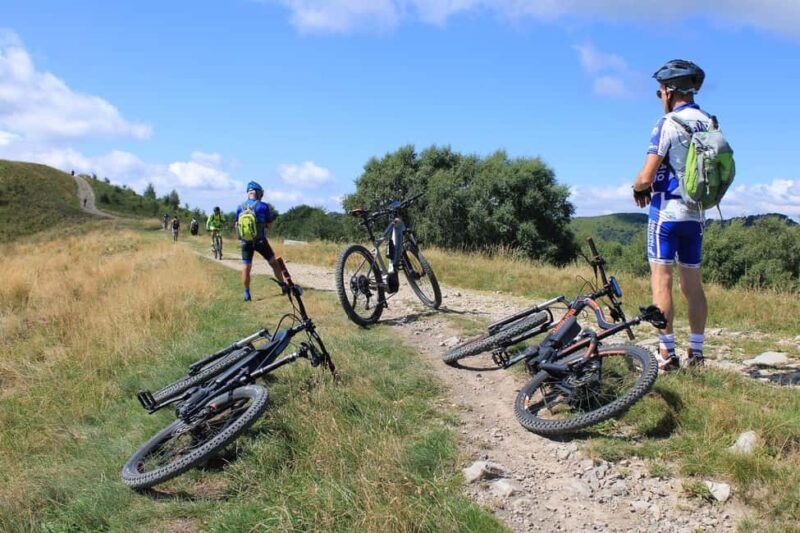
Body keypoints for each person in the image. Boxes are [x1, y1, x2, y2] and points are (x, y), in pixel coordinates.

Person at [632, 59, 711, 372]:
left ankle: (667, 355)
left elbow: (646, 176)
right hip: (697, 215)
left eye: (659, 91)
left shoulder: (668, 123)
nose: (659, 96)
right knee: (693, 285)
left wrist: (637, 187)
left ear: (669, 91)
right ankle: (698, 353)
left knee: (661, 282)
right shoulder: (709, 122)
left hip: (666, 212)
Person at [235, 181, 286, 301]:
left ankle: (247, 293)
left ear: (248, 193)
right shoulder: (263, 206)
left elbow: (236, 224)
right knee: (273, 263)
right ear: (259, 194)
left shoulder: (240, 207)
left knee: (246, 267)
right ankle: (283, 285)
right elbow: (269, 226)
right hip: (261, 241)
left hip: (245, 242)